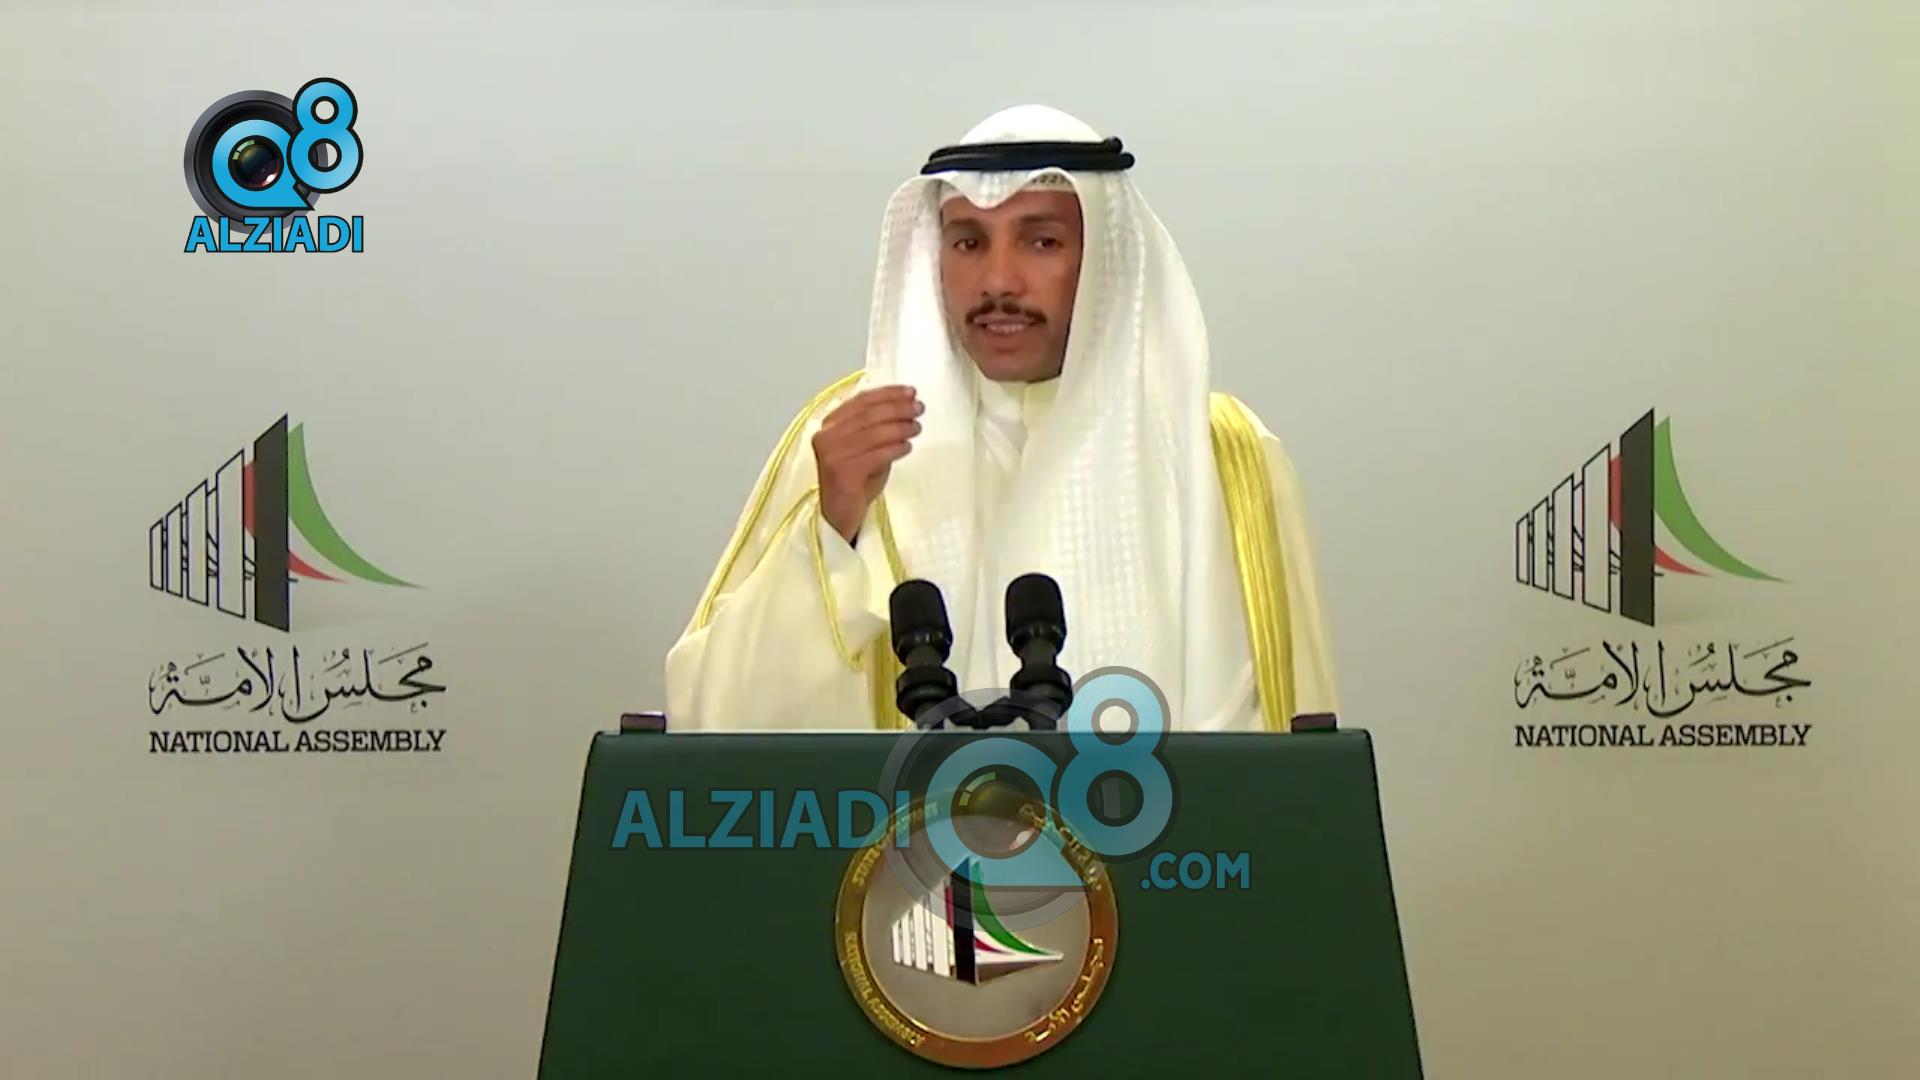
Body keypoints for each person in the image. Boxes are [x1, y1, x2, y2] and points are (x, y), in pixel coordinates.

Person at [665, 104, 1338, 732]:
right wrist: (831, 530)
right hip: (902, 827)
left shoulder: (1221, 454)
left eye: (1041, 241)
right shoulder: (850, 439)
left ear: (1106, 260)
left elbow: (1280, 739)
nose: (997, 282)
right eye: (968, 243)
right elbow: (713, 715)